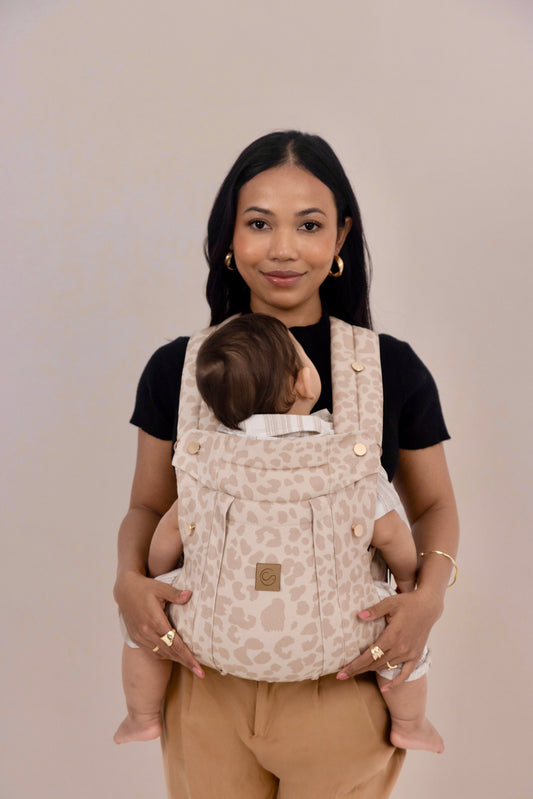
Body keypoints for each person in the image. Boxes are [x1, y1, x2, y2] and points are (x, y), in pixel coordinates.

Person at [114, 131, 459, 798]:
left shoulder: (390, 369)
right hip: (205, 685)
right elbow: (148, 507)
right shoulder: (177, 369)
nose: (282, 249)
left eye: (308, 225)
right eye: (258, 223)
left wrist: (429, 597)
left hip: (344, 686)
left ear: (340, 236)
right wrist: (128, 582)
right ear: (228, 236)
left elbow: (435, 506)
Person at [114, 314, 444, 754]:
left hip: (214, 635)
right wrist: (407, 582)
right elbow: (392, 534)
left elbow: (166, 537)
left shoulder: (205, 459)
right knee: (399, 643)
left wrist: (158, 577)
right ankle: (410, 723)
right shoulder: (345, 456)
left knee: (143, 631)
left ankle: (141, 715)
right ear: (306, 381)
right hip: (339, 637)